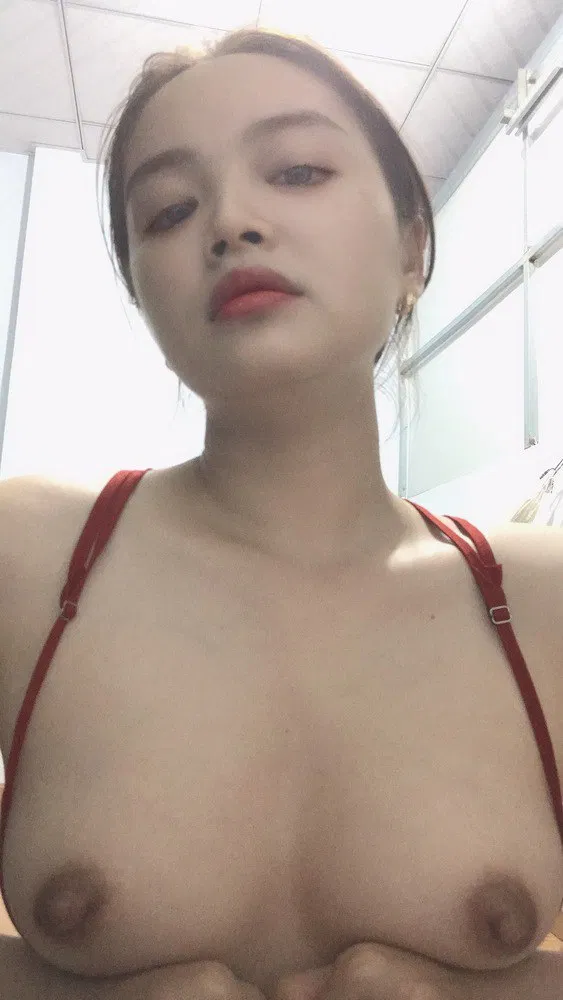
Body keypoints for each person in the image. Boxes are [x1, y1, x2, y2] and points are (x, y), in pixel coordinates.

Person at [1, 24, 563, 1000]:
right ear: (142, 294)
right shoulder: (26, 555)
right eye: (168, 210)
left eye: (297, 171)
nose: (229, 222)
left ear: (412, 247)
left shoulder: (543, 596)